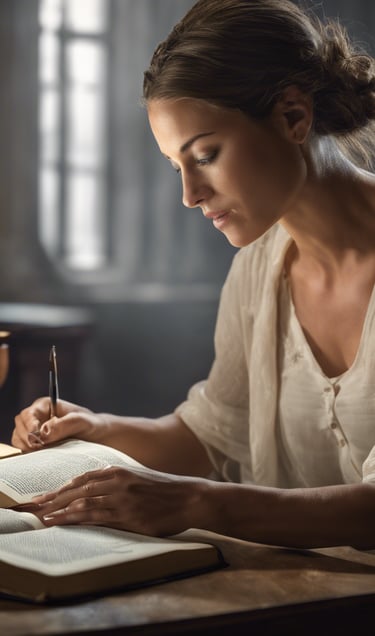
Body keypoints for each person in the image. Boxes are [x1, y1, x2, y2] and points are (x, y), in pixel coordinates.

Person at [12, 0, 375, 549]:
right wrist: (98, 429)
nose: (189, 195)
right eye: (175, 166)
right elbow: (210, 435)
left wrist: (198, 501)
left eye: (205, 155)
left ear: (293, 117)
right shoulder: (259, 269)